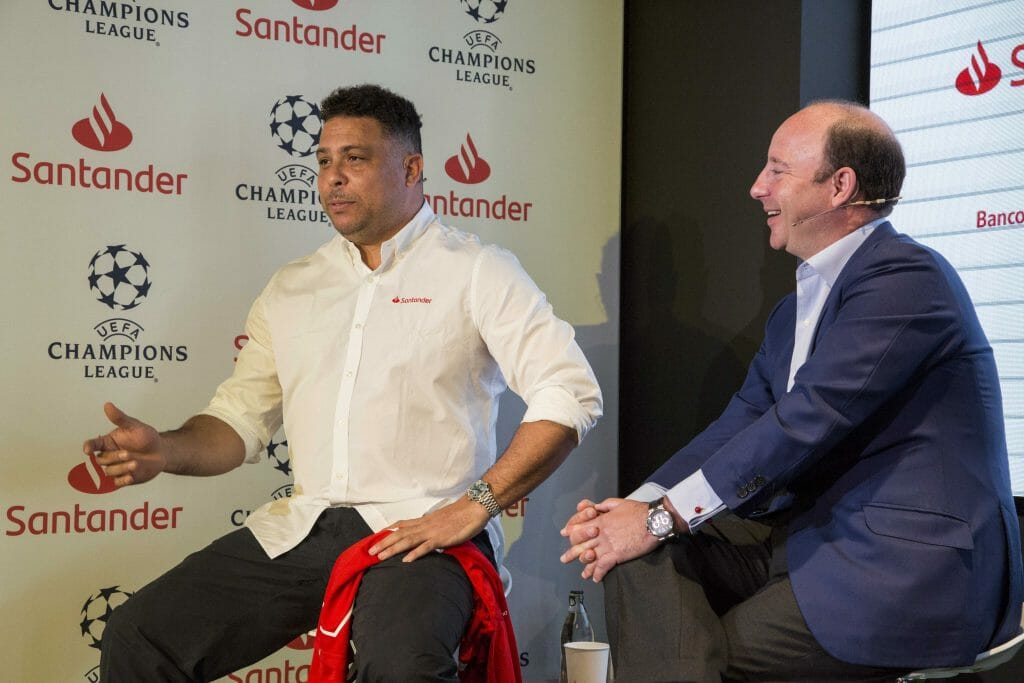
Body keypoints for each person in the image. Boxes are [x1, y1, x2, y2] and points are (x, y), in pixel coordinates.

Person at [84, 83, 602, 682]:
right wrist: (166, 449)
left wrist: (475, 506)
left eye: (354, 159)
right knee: (140, 637)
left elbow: (570, 393)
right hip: (307, 528)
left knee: (400, 668)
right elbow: (238, 422)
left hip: (422, 532)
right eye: (324, 161)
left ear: (412, 168)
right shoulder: (293, 285)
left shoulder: (477, 270)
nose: (332, 178)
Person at [560, 100, 1022, 682]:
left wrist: (661, 516)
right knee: (636, 558)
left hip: (905, 572)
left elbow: (807, 420)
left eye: (778, 170)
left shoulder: (908, 280)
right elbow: (741, 422)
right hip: (814, 542)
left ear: (840, 187)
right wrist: (638, 507)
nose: (757, 187)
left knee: (701, 654)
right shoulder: (794, 309)